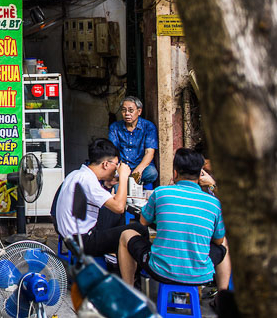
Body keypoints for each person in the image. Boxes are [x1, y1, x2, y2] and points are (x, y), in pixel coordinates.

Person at [117, 148, 231, 290]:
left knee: (126, 235)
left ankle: (128, 291)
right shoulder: (214, 203)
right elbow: (218, 241)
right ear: (200, 174)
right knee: (224, 242)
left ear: (175, 172)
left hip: (161, 271)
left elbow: (143, 222)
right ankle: (222, 295)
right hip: (200, 275)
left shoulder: (161, 192)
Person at [55, 138, 148, 257]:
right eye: (116, 165)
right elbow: (119, 207)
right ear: (106, 164)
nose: (116, 170)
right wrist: (124, 176)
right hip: (84, 241)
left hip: (71, 237)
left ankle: (117, 262)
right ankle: (133, 273)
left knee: (120, 224)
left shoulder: (76, 174)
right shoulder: (88, 180)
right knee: (139, 229)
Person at [108, 96, 158, 186]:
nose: (127, 113)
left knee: (152, 173)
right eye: (124, 110)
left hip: (141, 167)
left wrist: (138, 171)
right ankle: (124, 181)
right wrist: (121, 170)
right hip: (122, 166)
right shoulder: (115, 127)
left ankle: (125, 181)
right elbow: (113, 152)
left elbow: (149, 152)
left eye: (131, 110)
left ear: (139, 111)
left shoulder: (148, 127)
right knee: (111, 175)